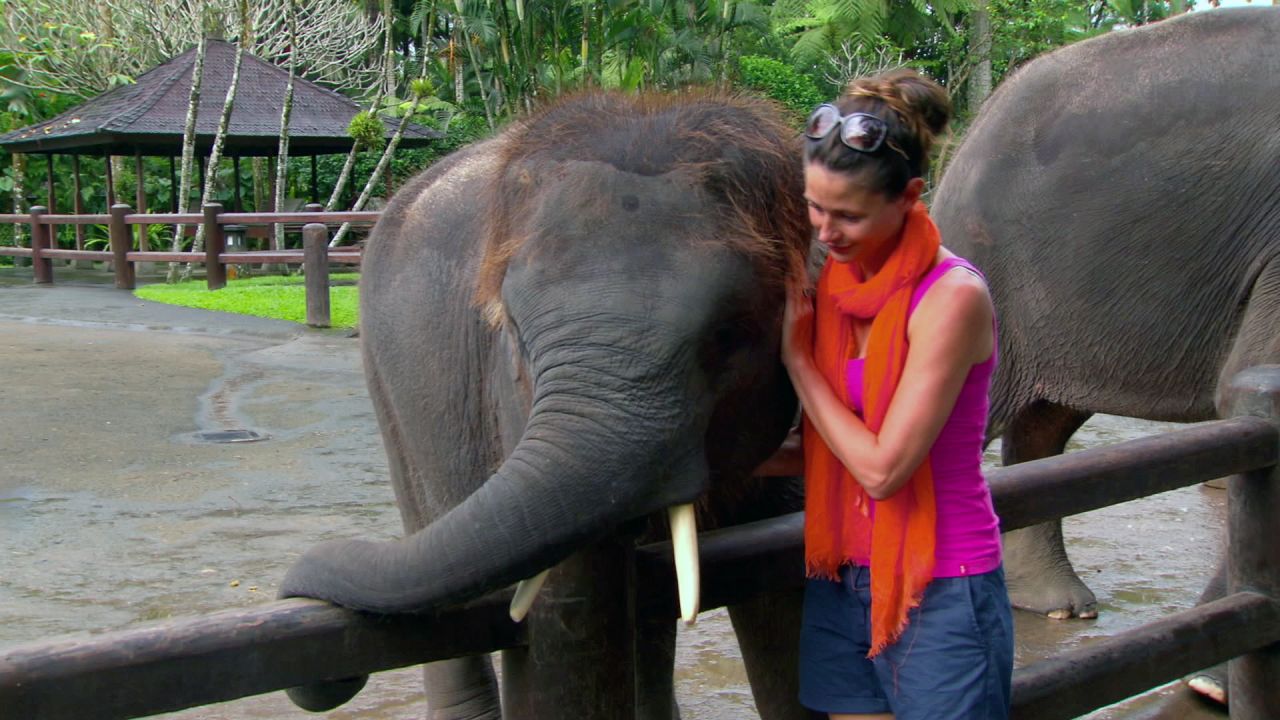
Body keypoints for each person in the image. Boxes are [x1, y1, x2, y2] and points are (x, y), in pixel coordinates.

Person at [780, 69, 1013, 719]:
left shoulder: (950, 298)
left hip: (940, 587)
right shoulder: (833, 289)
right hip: (842, 579)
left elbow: (882, 469)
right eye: (815, 207)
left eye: (848, 215)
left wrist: (799, 362)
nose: (826, 233)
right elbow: (828, 444)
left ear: (910, 196)